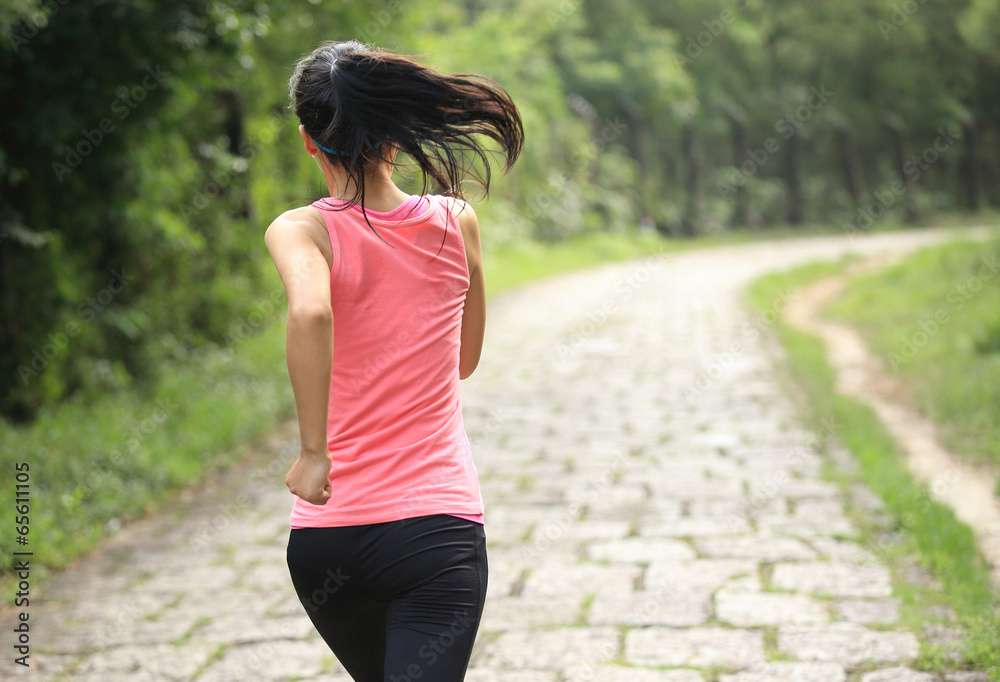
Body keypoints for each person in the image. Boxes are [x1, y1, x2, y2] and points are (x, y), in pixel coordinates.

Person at [264, 40, 524, 681]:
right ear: (391, 137)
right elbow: (465, 358)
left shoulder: (301, 231)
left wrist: (314, 451)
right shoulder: (454, 221)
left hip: (328, 542)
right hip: (434, 534)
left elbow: (310, 312)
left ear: (308, 140)